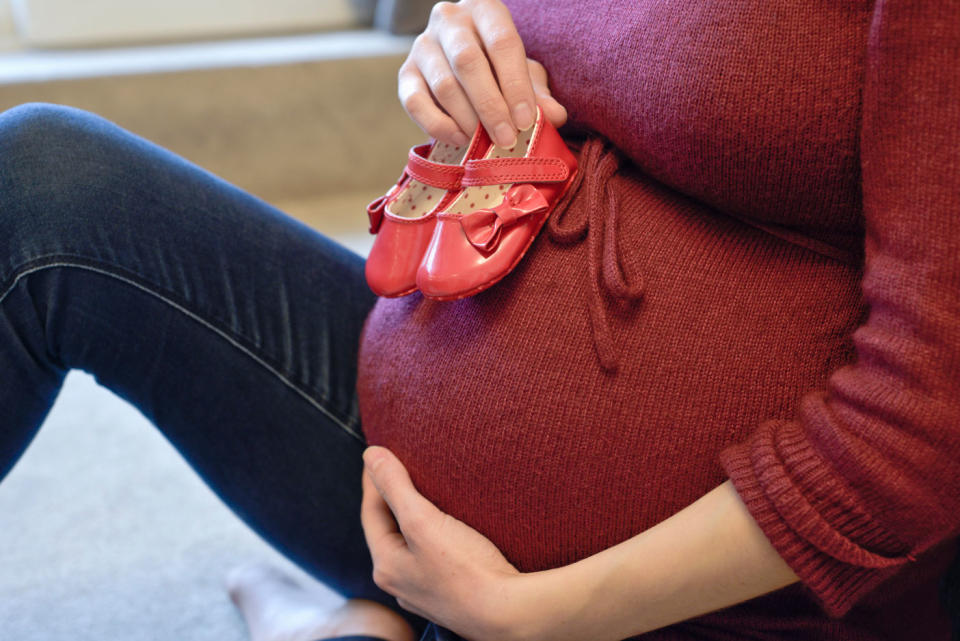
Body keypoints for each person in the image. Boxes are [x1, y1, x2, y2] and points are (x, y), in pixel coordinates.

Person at [1, 0, 957, 639]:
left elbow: (926, 423)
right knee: (45, 179)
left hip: (705, 599)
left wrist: (535, 615)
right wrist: (448, 49)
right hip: (407, 484)